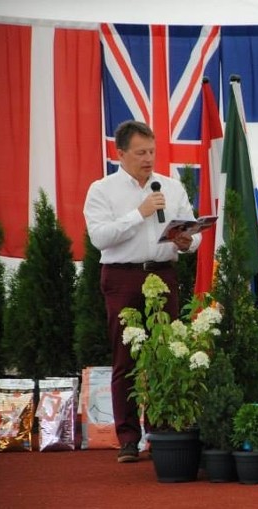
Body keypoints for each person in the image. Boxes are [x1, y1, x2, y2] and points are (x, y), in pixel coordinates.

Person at [83, 120, 200, 462]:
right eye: (140, 153)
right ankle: (129, 439)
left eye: (151, 151)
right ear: (120, 154)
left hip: (163, 273)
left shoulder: (172, 187)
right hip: (123, 277)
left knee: (169, 351)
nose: (148, 159)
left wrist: (186, 240)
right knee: (126, 357)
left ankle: (163, 429)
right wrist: (139, 213)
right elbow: (100, 238)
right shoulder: (102, 190)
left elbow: (195, 234)